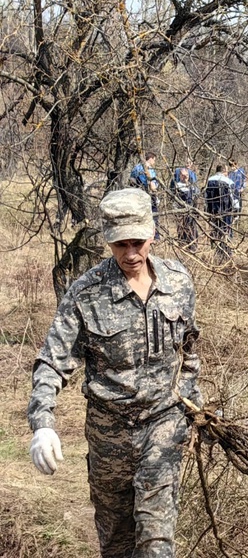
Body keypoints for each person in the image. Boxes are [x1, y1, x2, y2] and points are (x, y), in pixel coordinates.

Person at [28, 187, 201, 557]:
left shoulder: (178, 282)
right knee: (117, 544)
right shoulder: (86, 293)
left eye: (138, 241)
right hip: (109, 438)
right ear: (108, 241)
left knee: (156, 541)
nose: (131, 253)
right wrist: (43, 423)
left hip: (163, 424)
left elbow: (188, 351)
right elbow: (52, 360)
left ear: (152, 233)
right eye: (120, 244)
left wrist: (192, 408)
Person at [205, 165, 235, 261]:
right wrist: (236, 211)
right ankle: (226, 253)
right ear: (224, 171)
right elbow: (234, 198)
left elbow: (206, 197)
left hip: (213, 211)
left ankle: (216, 252)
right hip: (226, 211)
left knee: (215, 230)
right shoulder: (228, 182)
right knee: (226, 231)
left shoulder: (209, 181)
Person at [129, 152, 161, 240]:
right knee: (154, 215)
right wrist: (156, 195)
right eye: (154, 160)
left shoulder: (136, 168)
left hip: (137, 196)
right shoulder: (148, 169)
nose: (154, 162)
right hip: (149, 195)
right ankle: (155, 236)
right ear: (150, 159)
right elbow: (152, 186)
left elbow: (131, 180)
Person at [174, 167, 200, 252]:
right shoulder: (177, 186)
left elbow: (196, 199)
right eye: (183, 175)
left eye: (187, 175)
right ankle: (182, 246)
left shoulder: (192, 186)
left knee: (192, 229)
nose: (185, 177)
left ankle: (193, 247)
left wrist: (196, 211)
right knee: (182, 229)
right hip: (181, 212)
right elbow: (175, 200)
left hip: (191, 212)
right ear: (180, 176)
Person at [228, 159, 247, 230]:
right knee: (232, 207)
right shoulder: (230, 173)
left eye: (233, 165)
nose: (232, 167)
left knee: (239, 207)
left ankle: (238, 222)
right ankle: (232, 221)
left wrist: (243, 188)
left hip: (238, 192)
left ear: (236, 164)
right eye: (231, 166)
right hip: (231, 193)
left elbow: (244, 180)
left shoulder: (241, 171)